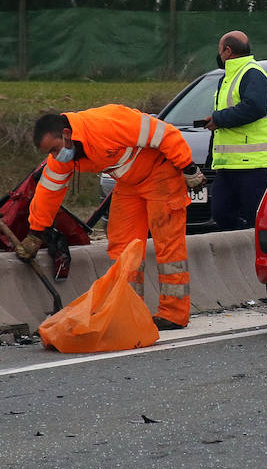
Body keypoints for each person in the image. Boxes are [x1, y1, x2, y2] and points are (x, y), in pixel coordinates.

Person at [19, 107, 205, 329]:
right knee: (123, 249)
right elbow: (49, 191)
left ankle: (174, 314)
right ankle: (129, 311)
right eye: (50, 152)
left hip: (161, 175)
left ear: (67, 134)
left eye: (55, 149)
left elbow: (165, 134)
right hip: (129, 184)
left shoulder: (107, 124)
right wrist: (35, 233)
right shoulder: (64, 156)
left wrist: (188, 167)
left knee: (168, 246)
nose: (55, 156)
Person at [201, 31, 267, 230]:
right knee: (221, 212)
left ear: (228, 51)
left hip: (254, 166)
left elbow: (254, 107)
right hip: (229, 166)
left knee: (255, 220)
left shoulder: (252, 73)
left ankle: (254, 256)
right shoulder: (228, 77)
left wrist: (218, 119)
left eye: (220, 50)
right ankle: (240, 251)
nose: (219, 55)